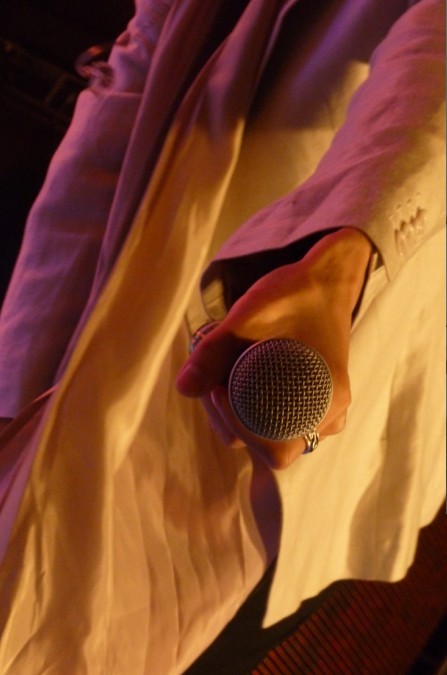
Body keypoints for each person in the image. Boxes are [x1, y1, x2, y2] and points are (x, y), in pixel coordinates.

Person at [0, 0, 444, 672]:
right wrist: (30, 353)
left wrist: (343, 259)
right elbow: (146, 54)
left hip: (295, 378)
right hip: (91, 335)